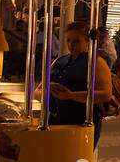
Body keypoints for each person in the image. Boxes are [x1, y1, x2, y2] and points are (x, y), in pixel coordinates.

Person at [37, 21, 113, 150]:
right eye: (68, 41)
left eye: (76, 41)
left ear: (87, 41)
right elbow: (37, 91)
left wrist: (71, 96)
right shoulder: (60, 61)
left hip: (80, 122)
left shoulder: (96, 63)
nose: (71, 45)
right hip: (55, 121)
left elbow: (105, 94)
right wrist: (48, 90)